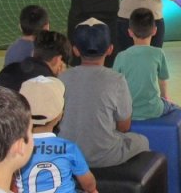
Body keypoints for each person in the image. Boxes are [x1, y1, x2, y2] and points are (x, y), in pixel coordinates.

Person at [58, 18, 149, 168]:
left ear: (75, 50)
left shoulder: (62, 77)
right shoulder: (116, 79)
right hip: (104, 157)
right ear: (110, 49)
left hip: (68, 155)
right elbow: (124, 127)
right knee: (142, 141)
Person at [18, 76, 101, 193]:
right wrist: (92, 191)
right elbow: (88, 182)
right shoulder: (68, 147)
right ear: (59, 115)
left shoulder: (15, 148)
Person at [113, 7, 177, 121]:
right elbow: (162, 82)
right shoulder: (158, 53)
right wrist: (164, 97)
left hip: (127, 111)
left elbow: (114, 85)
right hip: (154, 110)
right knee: (175, 107)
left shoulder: (121, 56)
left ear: (130, 32)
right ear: (154, 30)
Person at [0, 30, 70, 92]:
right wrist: (60, 82)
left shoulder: (10, 68)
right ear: (57, 60)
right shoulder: (48, 84)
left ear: (33, 52)